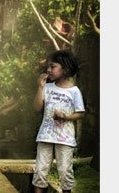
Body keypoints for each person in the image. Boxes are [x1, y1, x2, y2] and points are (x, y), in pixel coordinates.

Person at [32, 50, 84, 193]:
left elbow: (80, 113)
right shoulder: (47, 87)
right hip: (45, 136)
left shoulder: (74, 91)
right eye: (48, 67)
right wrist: (40, 87)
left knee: (65, 171)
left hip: (65, 138)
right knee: (40, 170)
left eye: (53, 66)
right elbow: (37, 107)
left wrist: (65, 117)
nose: (48, 70)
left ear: (65, 69)